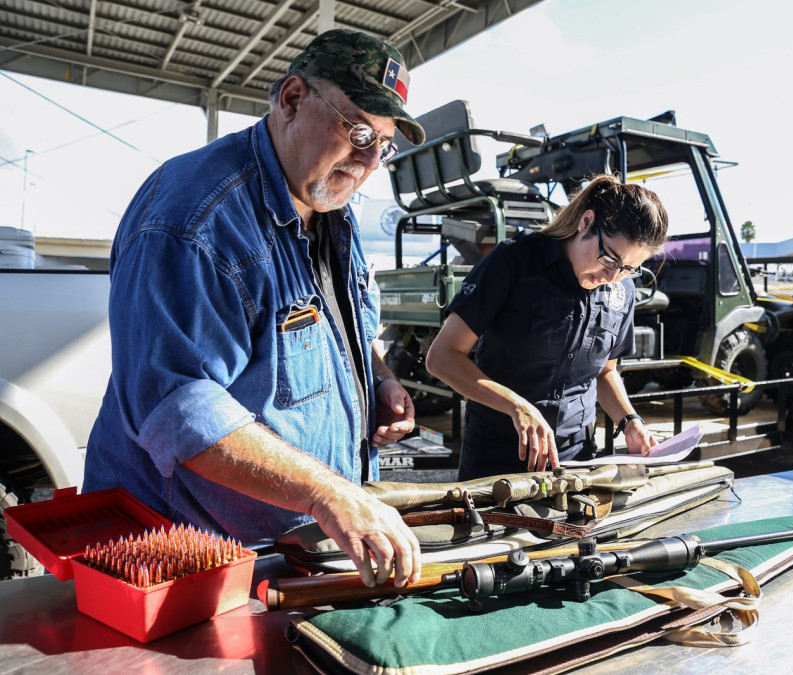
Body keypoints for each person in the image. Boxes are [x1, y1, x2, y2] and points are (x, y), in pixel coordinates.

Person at [83, 29, 426, 589]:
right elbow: (177, 409)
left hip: (288, 552)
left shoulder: (329, 203)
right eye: (358, 129)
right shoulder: (193, 220)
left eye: (383, 144)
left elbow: (349, 330)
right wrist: (326, 491)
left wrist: (379, 382)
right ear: (292, 100)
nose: (367, 161)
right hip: (184, 560)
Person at [426, 175, 669, 480]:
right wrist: (516, 406)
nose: (611, 277)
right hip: (497, 457)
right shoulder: (514, 261)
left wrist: (630, 420)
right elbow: (442, 357)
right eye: (610, 259)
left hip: (575, 460)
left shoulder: (622, 292)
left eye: (628, 269)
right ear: (586, 222)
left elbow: (605, 372)